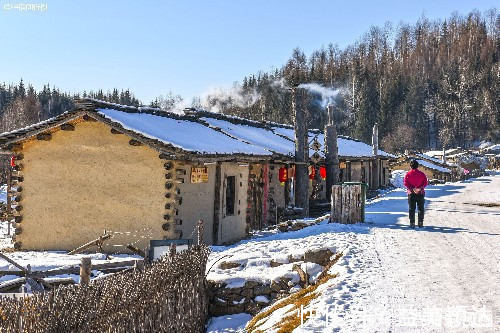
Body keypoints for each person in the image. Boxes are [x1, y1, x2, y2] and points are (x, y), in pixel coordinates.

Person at [403, 160, 428, 228]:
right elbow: (425, 182)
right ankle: (420, 223)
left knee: (411, 209)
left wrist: (412, 189)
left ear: (411, 166)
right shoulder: (422, 174)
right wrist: (420, 188)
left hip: (411, 194)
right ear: (417, 166)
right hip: (420, 193)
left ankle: (412, 223)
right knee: (421, 208)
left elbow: (405, 183)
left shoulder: (408, 174)